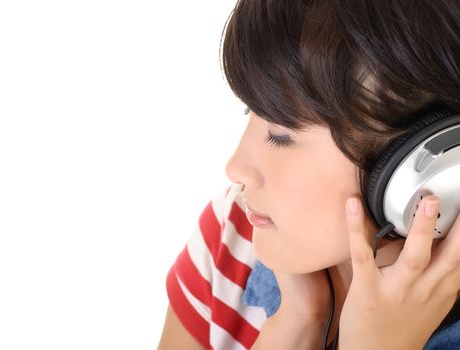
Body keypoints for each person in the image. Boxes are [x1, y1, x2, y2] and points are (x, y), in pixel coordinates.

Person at [157, 0, 460, 349]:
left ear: (418, 159)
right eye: (249, 110)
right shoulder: (232, 236)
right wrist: (294, 325)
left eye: (280, 135)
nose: (236, 167)